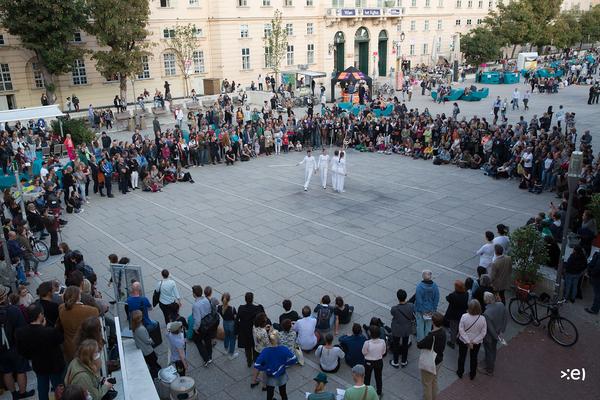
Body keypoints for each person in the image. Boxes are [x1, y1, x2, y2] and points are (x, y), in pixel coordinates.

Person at [15, 303, 64, 400]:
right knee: (59, 389)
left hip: (38, 364)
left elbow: (22, 351)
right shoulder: (50, 331)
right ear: (40, 315)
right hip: (54, 365)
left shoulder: (20, 332)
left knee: (42, 388)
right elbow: (61, 339)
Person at [0, 285, 36, 400]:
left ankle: (13, 394)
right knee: (21, 370)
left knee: (7, 371)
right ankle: (22, 392)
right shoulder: (14, 310)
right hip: (15, 346)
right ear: (4, 297)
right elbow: (22, 330)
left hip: (1, 349)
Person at [56, 286, 99, 362]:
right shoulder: (92, 311)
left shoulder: (61, 309)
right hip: (87, 348)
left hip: (70, 348)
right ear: (78, 296)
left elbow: (59, 326)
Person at [253, 331, 297, 400]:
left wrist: (266, 368)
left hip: (270, 375)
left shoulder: (265, 351)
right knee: (283, 393)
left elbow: (257, 364)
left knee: (269, 394)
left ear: (269, 340)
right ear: (278, 339)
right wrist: (284, 364)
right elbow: (294, 359)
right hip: (281, 374)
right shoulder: (283, 349)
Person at [416, 312, 446, 400]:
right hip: (439, 361)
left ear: (433, 322)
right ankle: (434, 397)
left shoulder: (431, 336)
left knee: (427, 384)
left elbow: (419, 345)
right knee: (434, 381)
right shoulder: (443, 332)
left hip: (431, 362)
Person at [457, 299, 487, 380]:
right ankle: (472, 374)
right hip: (476, 342)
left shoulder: (464, 316)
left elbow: (461, 330)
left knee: (462, 356)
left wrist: (467, 341)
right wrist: (474, 341)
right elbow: (483, 333)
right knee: (474, 357)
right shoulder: (482, 318)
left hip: (463, 340)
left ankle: (460, 372)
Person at [480, 292, 507, 376]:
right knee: (493, 349)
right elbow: (505, 318)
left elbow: (490, 329)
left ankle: (489, 369)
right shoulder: (501, 305)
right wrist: (501, 331)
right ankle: (490, 362)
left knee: (489, 351)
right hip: (498, 332)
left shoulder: (486, 313)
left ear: (486, 301)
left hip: (489, 337)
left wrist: (496, 337)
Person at [236, 292, 265, 368]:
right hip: (254, 332)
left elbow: (237, 320)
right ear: (252, 299)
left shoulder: (241, 308)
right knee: (255, 347)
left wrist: (237, 330)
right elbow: (263, 317)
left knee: (247, 348)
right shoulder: (257, 309)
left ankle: (249, 361)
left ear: (245, 300)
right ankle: (256, 360)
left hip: (245, 332)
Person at [131, 310, 161, 379]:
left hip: (144, 349)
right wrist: (152, 340)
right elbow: (147, 340)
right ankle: (155, 375)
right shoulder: (140, 329)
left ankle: (157, 369)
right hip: (147, 351)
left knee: (153, 362)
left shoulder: (135, 327)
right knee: (153, 362)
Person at [191, 285, 216, 367]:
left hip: (202, 325)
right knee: (207, 339)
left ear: (194, 294)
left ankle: (206, 359)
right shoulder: (206, 299)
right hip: (209, 322)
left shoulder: (195, 305)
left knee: (197, 341)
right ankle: (210, 355)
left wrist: (195, 329)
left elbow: (197, 320)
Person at [390, 289, 414, 368]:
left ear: (398, 298)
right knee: (405, 344)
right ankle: (404, 361)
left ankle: (395, 361)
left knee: (396, 345)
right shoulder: (411, 306)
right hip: (407, 329)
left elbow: (392, 314)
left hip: (397, 329)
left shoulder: (394, 309)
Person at [414, 270, 440, 341]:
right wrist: (433, 310)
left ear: (422, 277)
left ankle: (421, 341)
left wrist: (422, 311)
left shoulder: (419, 287)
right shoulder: (435, 286)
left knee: (420, 327)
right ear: (431, 276)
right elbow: (436, 298)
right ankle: (428, 340)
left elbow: (419, 301)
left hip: (420, 311)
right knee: (428, 327)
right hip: (430, 310)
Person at [362, 325, 385, 397]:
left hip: (368, 362)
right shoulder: (382, 341)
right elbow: (383, 352)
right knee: (378, 377)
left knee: (367, 377)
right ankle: (379, 392)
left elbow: (364, 352)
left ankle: (366, 393)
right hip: (379, 361)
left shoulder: (367, 343)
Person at [443, 280, 468, 349]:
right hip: (462, 314)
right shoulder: (466, 294)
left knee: (453, 328)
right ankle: (458, 339)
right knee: (459, 328)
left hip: (454, 315)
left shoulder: (453, 295)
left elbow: (447, 298)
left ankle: (452, 342)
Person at [218, 292, 239, 360]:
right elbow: (236, 317)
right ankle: (231, 355)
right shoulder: (232, 308)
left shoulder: (219, 307)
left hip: (225, 323)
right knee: (232, 339)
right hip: (231, 325)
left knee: (226, 336)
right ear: (229, 300)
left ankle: (225, 350)